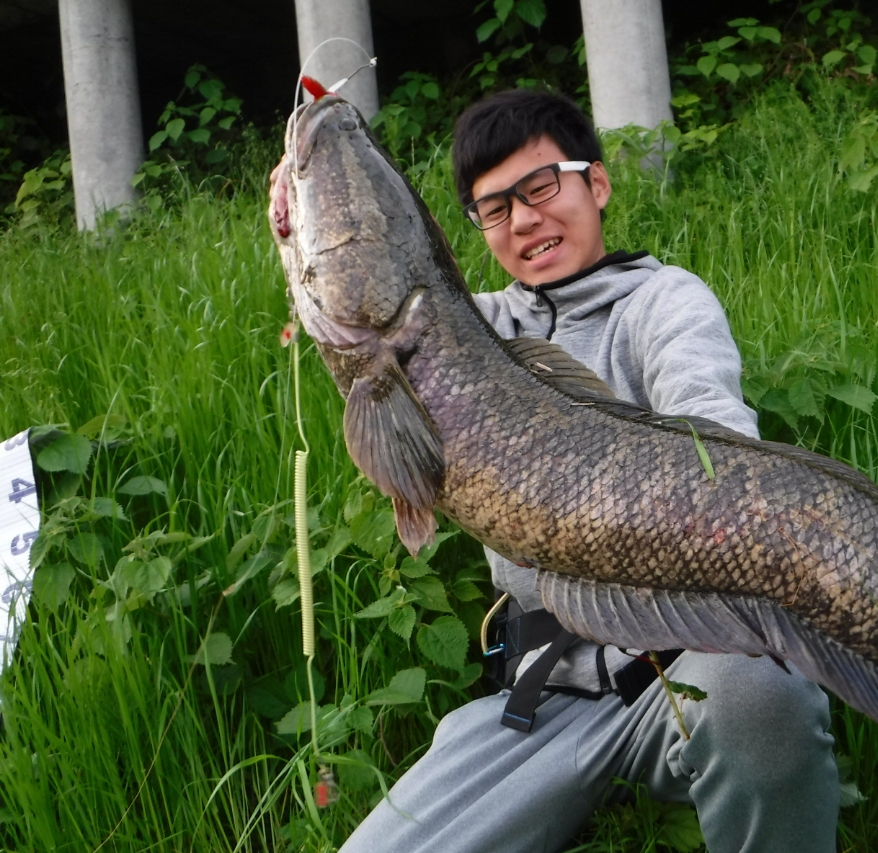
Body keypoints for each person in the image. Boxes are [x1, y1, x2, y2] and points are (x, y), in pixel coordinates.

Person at [339, 89, 840, 853]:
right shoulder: (456, 334)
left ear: (596, 184)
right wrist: (305, 217)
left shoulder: (665, 302)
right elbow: (357, 312)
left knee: (762, 701)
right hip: (538, 698)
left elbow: (719, 444)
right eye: (495, 208)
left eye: (541, 188)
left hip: (684, 668)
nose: (526, 220)